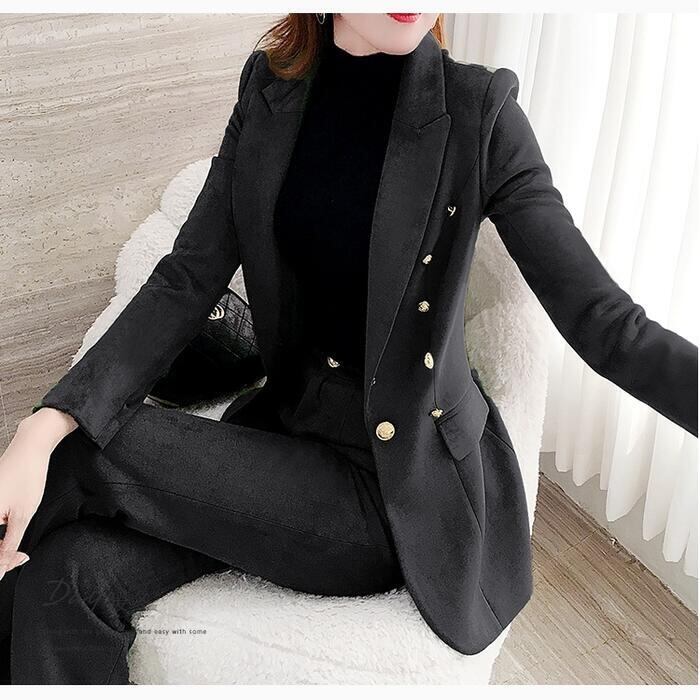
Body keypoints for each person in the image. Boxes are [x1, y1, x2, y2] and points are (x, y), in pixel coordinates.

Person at [0, 13, 696, 684]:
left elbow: (607, 325)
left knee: (86, 448)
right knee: (65, 574)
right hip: (286, 436)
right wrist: (46, 422)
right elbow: (186, 277)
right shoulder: (270, 88)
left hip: (393, 489)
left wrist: (48, 429)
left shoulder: (478, 113)